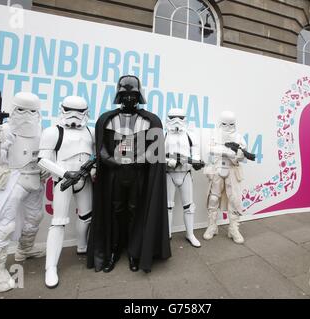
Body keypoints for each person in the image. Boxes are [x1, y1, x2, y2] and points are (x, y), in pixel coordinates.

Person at [87, 75, 171, 273]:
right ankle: (115, 249)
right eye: (125, 95)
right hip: (115, 175)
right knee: (115, 212)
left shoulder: (150, 120)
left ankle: (135, 251)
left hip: (138, 175)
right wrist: (112, 160)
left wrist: (137, 159)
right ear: (118, 95)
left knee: (135, 211)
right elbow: (101, 149)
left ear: (139, 96)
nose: (129, 99)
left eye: (133, 95)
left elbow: (155, 150)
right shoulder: (107, 119)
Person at [0, 92, 46, 292]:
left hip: (34, 178)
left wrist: (45, 169)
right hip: (14, 180)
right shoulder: (5, 130)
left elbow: (40, 153)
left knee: (35, 217)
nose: (27, 115)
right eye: (22, 110)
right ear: (14, 110)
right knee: (4, 226)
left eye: (32, 111)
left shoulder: (39, 129)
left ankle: (25, 249)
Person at [38, 96, 95, 288]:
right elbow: (43, 160)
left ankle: (82, 246)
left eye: (79, 112)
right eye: (69, 110)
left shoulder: (90, 131)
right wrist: (64, 173)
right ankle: (50, 268)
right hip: (63, 180)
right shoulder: (52, 132)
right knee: (58, 222)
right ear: (62, 109)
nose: (74, 116)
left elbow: (95, 154)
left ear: (86, 113)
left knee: (87, 216)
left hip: (84, 179)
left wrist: (92, 170)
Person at [203, 111, 254, 244]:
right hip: (217, 168)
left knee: (234, 199)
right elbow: (209, 148)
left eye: (231, 124)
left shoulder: (238, 137)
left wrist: (236, 155)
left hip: (232, 169)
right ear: (220, 123)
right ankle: (212, 226)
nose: (228, 127)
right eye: (225, 124)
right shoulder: (214, 135)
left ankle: (233, 229)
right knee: (213, 198)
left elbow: (242, 156)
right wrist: (225, 151)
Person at [165, 108, 203, 247]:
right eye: (173, 117)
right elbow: (155, 155)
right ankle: (167, 234)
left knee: (189, 206)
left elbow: (196, 153)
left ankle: (190, 233)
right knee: (168, 206)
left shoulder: (190, 135)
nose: (176, 121)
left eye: (180, 118)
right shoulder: (163, 135)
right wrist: (169, 161)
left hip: (186, 173)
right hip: (169, 173)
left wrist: (196, 162)